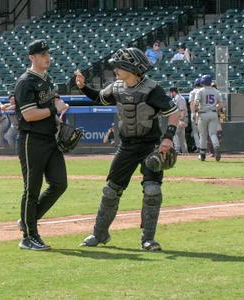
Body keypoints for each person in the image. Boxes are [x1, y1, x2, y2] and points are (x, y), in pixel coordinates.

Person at [75, 47, 179, 251]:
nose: (115, 69)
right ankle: (99, 234)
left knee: (152, 190)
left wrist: (168, 138)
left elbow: (173, 113)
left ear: (131, 67)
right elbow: (100, 98)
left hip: (150, 146)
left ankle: (148, 239)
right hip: (127, 147)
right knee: (110, 190)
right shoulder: (116, 87)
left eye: (118, 66)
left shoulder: (152, 89)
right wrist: (83, 87)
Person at [14, 39, 69, 251]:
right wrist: (55, 110)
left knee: (59, 183)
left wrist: (58, 121)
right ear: (32, 57)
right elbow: (29, 115)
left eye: (48, 53)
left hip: (49, 139)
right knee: (32, 189)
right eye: (42, 53)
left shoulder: (47, 80)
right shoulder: (25, 82)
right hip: (31, 140)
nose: (47, 57)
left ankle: (29, 219)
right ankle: (29, 236)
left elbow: (50, 106)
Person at [193, 75, 223, 161]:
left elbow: (196, 103)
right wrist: (213, 109)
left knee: (203, 134)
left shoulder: (200, 91)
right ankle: (216, 147)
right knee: (213, 134)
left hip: (203, 114)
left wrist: (195, 111)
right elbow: (221, 104)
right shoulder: (216, 91)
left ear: (202, 82)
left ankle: (202, 155)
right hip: (213, 113)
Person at [169, 87, 188, 154]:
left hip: (180, 118)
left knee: (174, 133)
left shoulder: (180, 98)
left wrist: (181, 120)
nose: (170, 94)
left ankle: (177, 150)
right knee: (181, 135)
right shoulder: (175, 99)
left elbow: (182, 110)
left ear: (173, 92)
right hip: (178, 119)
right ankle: (184, 151)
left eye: (170, 93)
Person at [188, 78, 202, 152]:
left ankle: (199, 147)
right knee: (203, 131)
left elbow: (191, 103)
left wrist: (193, 113)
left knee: (196, 132)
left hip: (195, 112)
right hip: (203, 112)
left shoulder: (193, 92)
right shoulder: (203, 91)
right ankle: (205, 147)